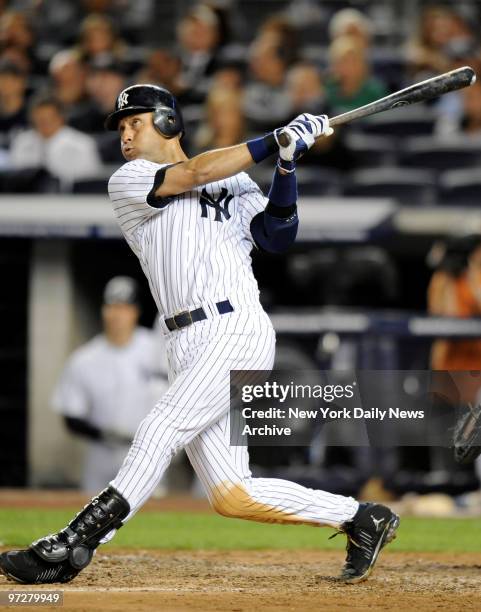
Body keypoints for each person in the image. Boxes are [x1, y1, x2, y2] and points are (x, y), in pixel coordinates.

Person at [0, 84, 399, 586]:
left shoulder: (238, 184)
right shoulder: (131, 179)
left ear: (168, 122)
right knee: (232, 494)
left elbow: (278, 236)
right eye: (122, 127)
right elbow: (195, 172)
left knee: (159, 429)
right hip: (182, 341)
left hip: (236, 328)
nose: (125, 135)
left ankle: (76, 542)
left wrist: (286, 165)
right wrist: (276, 138)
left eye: (135, 123)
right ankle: (362, 518)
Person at [52, 276, 169, 492]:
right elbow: (70, 415)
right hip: (101, 451)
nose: (117, 314)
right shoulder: (84, 358)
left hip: (145, 450)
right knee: (93, 514)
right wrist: (102, 434)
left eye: (124, 307)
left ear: (135, 311)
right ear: (103, 310)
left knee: (151, 512)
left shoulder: (156, 350)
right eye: (112, 307)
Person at [9, 93, 101, 187]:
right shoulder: (22, 142)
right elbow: (14, 180)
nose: (44, 124)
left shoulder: (82, 144)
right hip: (27, 199)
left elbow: (90, 184)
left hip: (70, 199)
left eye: (49, 119)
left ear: (61, 118)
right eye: (40, 120)